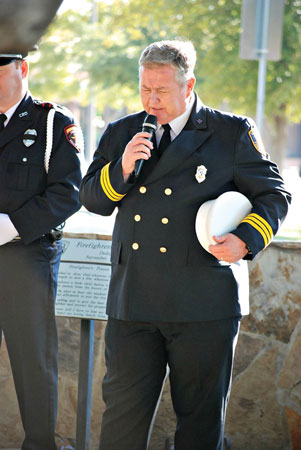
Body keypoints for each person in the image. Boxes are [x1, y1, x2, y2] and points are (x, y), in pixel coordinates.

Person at [79, 40, 291, 450]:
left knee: (200, 424)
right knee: (121, 420)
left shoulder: (230, 132)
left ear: (189, 84)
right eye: (144, 90)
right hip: (134, 300)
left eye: (161, 91)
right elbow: (91, 199)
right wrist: (122, 168)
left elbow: (275, 195)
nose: (151, 100)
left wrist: (245, 240)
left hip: (203, 302)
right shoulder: (122, 132)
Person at [0, 50, 82, 449]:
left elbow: (69, 194)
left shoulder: (53, 123)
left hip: (25, 260)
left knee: (34, 363)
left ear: (22, 68)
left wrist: (10, 226)